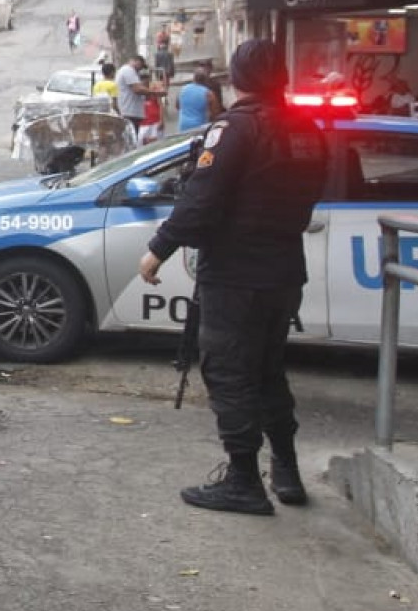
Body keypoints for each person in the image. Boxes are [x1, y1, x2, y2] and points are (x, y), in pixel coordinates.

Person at [139, 39, 329, 515]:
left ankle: (243, 480)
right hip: (284, 271)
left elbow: (200, 201)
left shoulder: (235, 129)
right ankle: (286, 470)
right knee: (268, 371)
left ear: (238, 79)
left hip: (235, 274)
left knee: (229, 373)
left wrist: (159, 249)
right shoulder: (306, 128)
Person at [114, 53, 153, 132]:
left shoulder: (132, 72)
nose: (140, 69)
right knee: (131, 134)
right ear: (136, 61)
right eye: (140, 66)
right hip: (130, 111)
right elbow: (137, 89)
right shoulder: (128, 70)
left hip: (132, 111)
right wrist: (154, 92)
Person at [177, 60, 216, 131]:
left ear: (194, 78)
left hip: (183, 125)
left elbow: (177, 106)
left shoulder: (183, 89)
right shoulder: (208, 93)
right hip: (199, 126)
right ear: (205, 79)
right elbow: (214, 113)